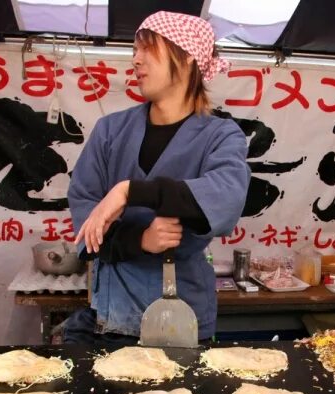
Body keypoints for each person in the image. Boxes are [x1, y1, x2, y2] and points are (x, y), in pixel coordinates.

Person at [65, 11, 250, 344]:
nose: (136, 60)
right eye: (135, 50)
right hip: (113, 315)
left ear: (188, 55)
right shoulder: (110, 131)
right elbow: (87, 219)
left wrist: (128, 191)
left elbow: (226, 198)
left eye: (148, 48)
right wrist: (140, 239)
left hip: (182, 320)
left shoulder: (221, 135)